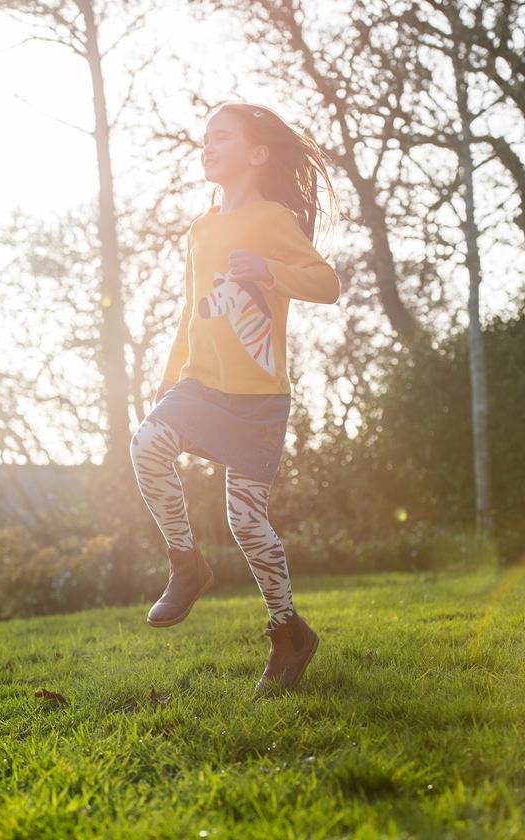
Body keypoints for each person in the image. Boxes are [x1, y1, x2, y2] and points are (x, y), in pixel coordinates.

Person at [130, 101, 341, 697]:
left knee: (246, 521)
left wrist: (271, 269)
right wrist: (171, 376)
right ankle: (185, 563)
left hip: (258, 398)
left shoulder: (274, 219)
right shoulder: (200, 229)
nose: (207, 146)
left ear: (257, 153)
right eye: (203, 139)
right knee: (147, 444)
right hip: (201, 383)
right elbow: (190, 309)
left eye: (220, 137)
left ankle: (288, 632)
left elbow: (327, 283)